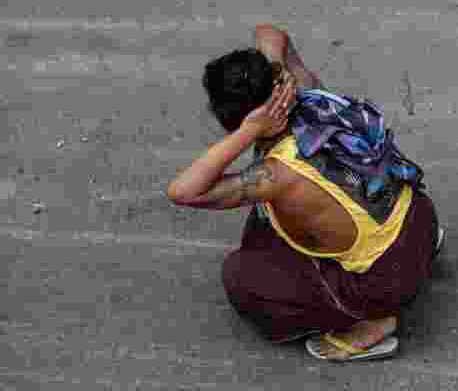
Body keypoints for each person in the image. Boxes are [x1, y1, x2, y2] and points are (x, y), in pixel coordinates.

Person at [166, 24, 443, 362]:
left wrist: (247, 132)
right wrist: (277, 70)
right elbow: (270, 33)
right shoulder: (307, 91)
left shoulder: (277, 174)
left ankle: (373, 323)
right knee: (265, 226)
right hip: (420, 220)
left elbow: (183, 192)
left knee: (241, 277)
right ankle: (419, 254)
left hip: (388, 280)